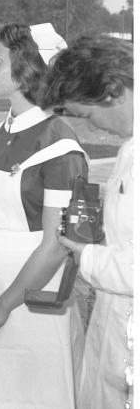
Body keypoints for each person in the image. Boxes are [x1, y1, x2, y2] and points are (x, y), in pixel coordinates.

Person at [0, 23, 87, 408]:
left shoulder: (60, 146)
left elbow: (56, 246)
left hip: (33, 299)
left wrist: (3, 306)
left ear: (26, 71)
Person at [42, 35, 134, 409]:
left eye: (88, 115)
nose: (93, 128)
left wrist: (86, 255)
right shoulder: (130, 147)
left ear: (112, 90)